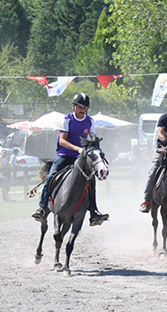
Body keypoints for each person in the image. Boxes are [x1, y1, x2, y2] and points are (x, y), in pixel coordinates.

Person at [32, 93, 109, 226]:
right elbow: (62, 140)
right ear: (73, 107)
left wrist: (96, 151)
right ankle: (42, 207)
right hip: (64, 155)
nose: (82, 109)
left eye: (84, 107)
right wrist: (78, 149)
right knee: (50, 177)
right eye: (79, 107)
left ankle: (93, 212)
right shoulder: (67, 119)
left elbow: (93, 139)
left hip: (81, 158)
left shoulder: (89, 121)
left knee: (91, 181)